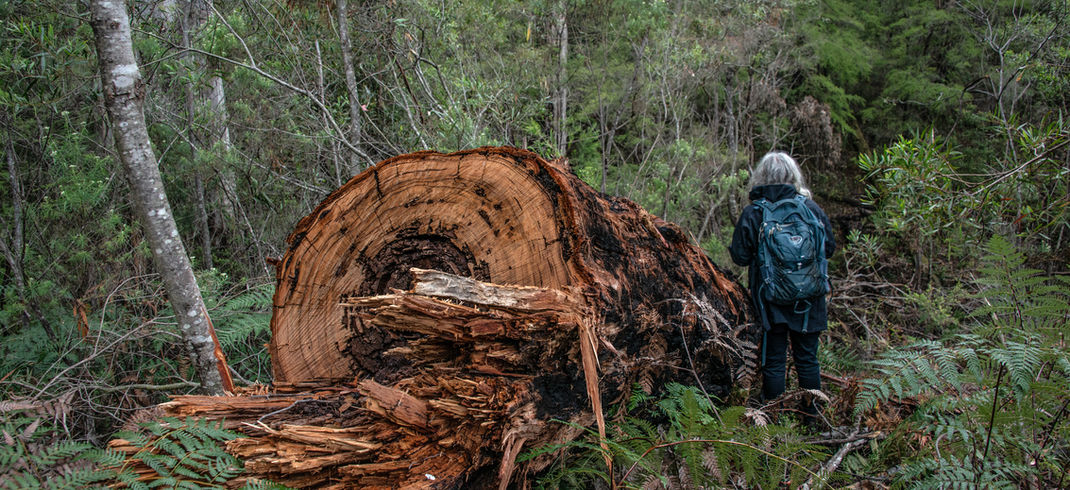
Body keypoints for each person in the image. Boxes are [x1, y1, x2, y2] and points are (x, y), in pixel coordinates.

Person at [728, 152, 836, 423]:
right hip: (810, 300)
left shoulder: (755, 212)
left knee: (774, 361)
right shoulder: (810, 209)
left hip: (771, 301)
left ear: (761, 177)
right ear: (793, 176)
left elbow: (740, 256)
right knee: (808, 361)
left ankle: (773, 424)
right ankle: (811, 419)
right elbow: (830, 248)